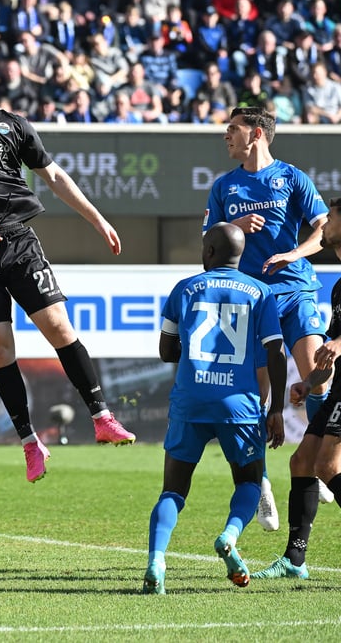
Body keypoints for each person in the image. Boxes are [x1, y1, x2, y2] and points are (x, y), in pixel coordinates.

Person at [0, 49, 136, 485]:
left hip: (18, 242)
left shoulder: (15, 125)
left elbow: (55, 177)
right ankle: (29, 442)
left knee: (60, 327)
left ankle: (101, 416)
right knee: (0, 350)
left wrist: (97, 219)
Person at [203, 107, 330, 532]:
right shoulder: (224, 185)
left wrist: (294, 253)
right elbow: (208, 240)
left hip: (295, 291)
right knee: (254, 396)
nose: (226, 136)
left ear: (256, 134)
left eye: (233, 130)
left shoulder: (292, 177)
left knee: (319, 377)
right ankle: (260, 484)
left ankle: (321, 456)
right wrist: (232, 225)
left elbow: (323, 229)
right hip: (251, 299)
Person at [143, 222, 286, 595]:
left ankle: (156, 561)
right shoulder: (261, 292)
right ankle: (228, 536)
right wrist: (276, 410)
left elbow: (166, 352)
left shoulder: (184, 289)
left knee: (173, 491)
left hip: (190, 401)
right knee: (250, 482)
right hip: (239, 406)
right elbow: (276, 352)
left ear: (208, 252)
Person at [253, 197, 341, 580]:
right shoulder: (337, 288)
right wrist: (308, 384)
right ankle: (295, 560)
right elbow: (329, 358)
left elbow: (337, 346)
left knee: (326, 465)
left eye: (332, 219)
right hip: (337, 391)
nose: (323, 225)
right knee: (301, 462)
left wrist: (339, 344)